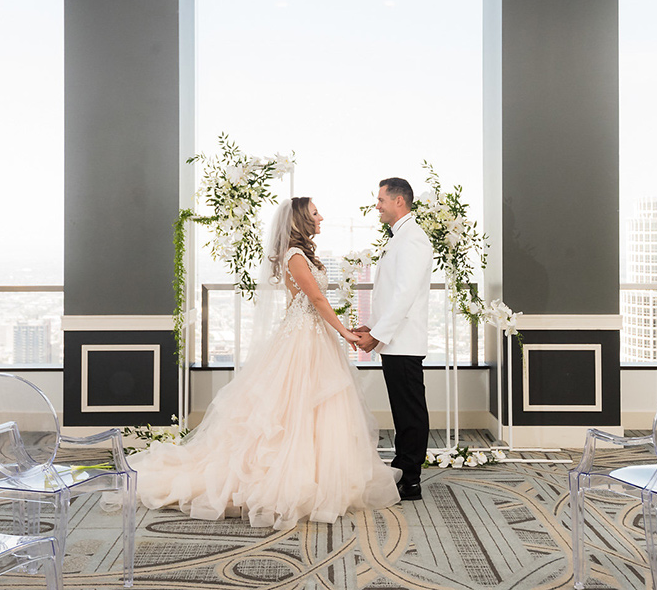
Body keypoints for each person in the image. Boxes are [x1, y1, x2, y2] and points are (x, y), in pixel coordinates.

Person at [128, 197, 400, 530]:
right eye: (315, 213)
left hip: (314, 337)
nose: (322, 217)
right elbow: (315, 298)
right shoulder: (295, 256)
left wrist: (335, 330)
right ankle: (289, 478)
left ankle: (318, 474)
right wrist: (343, 331)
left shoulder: (304, 254)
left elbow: (308, 301)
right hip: (303, 340)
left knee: (319, 409)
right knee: (292, 409)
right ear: (301, 220)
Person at [354, 178, 433, 501]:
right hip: (395, 340)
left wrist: (376, 335)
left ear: (399, 201)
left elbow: (404, 295)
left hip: (404, 340)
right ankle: (403, 469)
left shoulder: (413, 239)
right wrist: (371, 325)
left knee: (410, 412)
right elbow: (389, 294)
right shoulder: (400, 238)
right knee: (403, 411)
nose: (377, 205)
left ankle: (410, 478)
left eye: (381, 199)